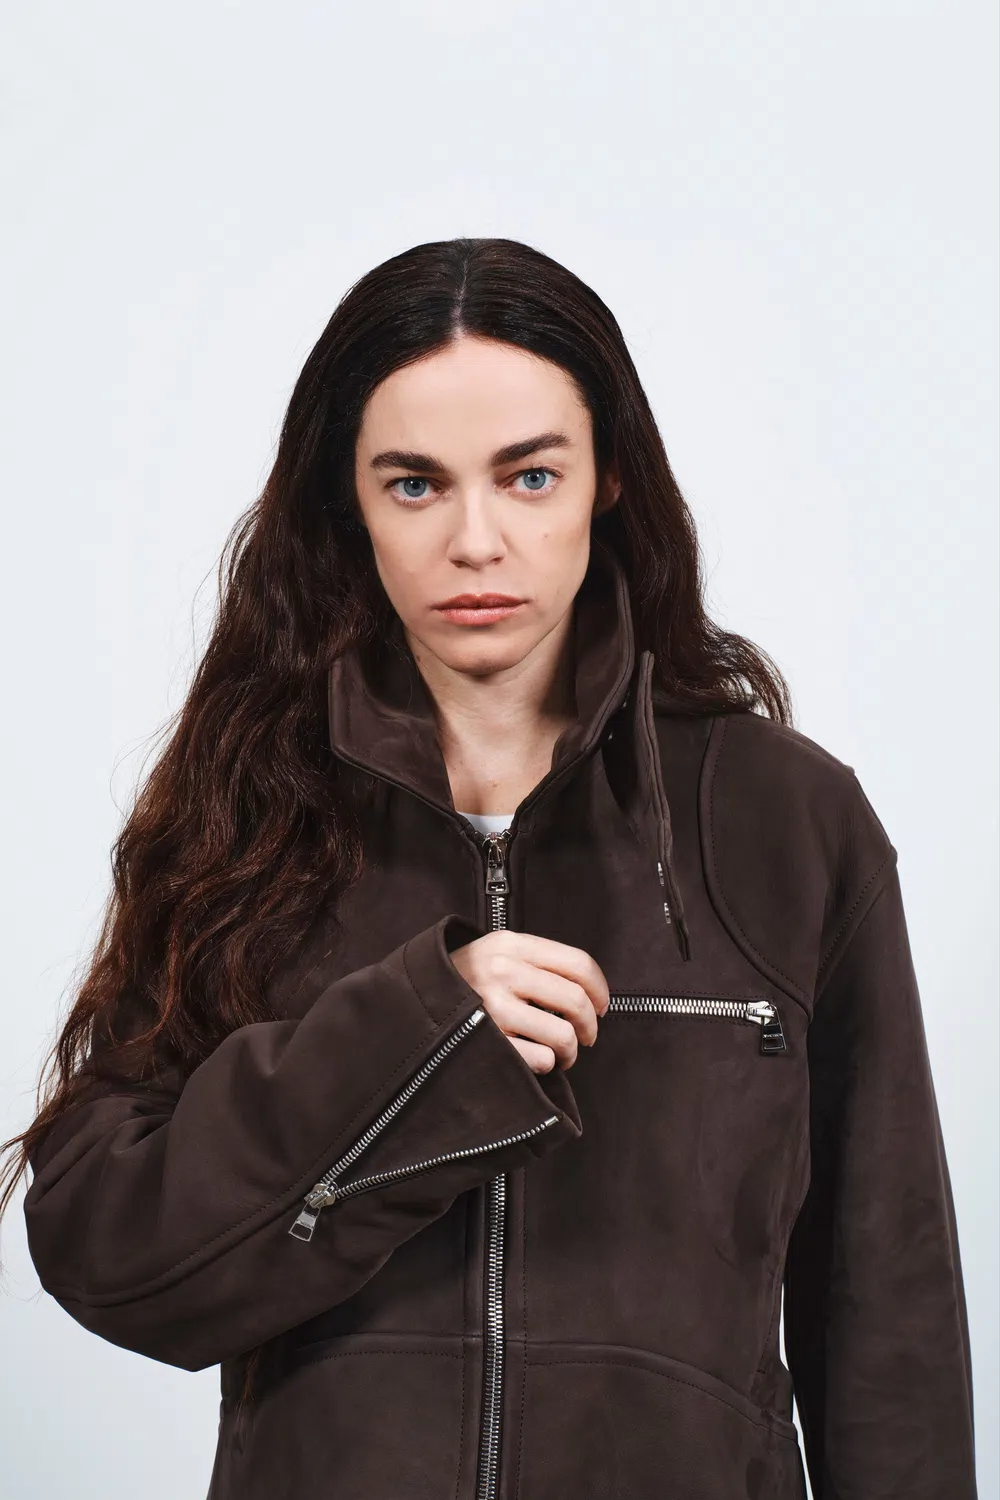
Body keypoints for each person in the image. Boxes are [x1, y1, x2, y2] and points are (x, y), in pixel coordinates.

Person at [1, 237, 976, 1499]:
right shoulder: (251, 806)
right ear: (346, 501)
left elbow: (887, 1313)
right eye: (414, 484)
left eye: (529, 476)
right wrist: (415, 1039)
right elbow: (110, 1255)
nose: (475, 541)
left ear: (608, 478)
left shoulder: (787, 819)